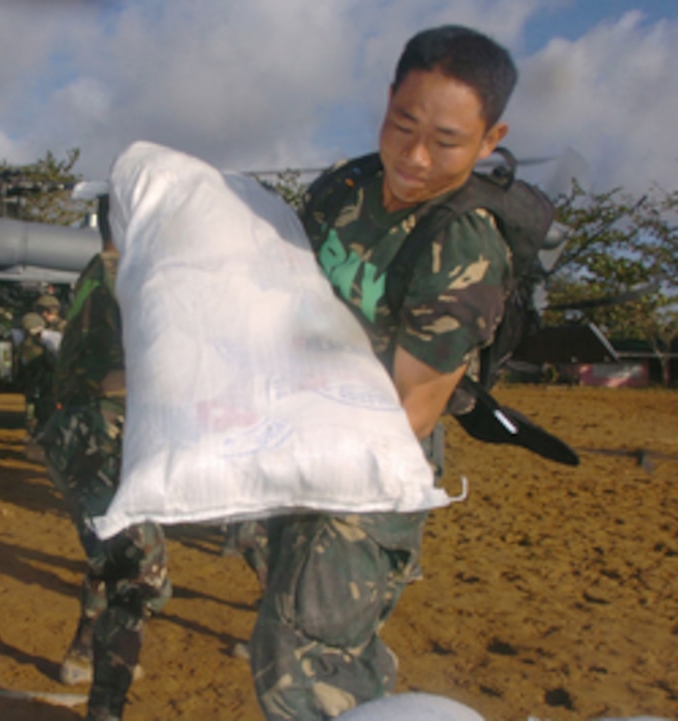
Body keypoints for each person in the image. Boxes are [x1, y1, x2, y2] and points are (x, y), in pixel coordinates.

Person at [249, 26, 515, 720]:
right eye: (403, 125)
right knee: (324, 645)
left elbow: (408, 415)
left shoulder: (462, 248)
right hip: (303, 432)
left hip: (370, 467)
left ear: (490, 139)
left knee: (299, 670)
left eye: (447, 141)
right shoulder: (346, 187)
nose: (415, 156)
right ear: (389, 100)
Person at [37, 246, 172, 720]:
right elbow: (117, 374)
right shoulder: (131, 271)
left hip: (84, 439)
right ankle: (105, 708)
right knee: (141, 574)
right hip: (99, 439)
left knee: (112, 556)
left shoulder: (105, 269)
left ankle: (81, 652)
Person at [16, 311, 57, 437]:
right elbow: (52, 364)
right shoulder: (41, 346)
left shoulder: (23, 346)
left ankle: (33, 434)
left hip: (32, 384)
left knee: (32, 411)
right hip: (44, 383)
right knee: (44, 412)